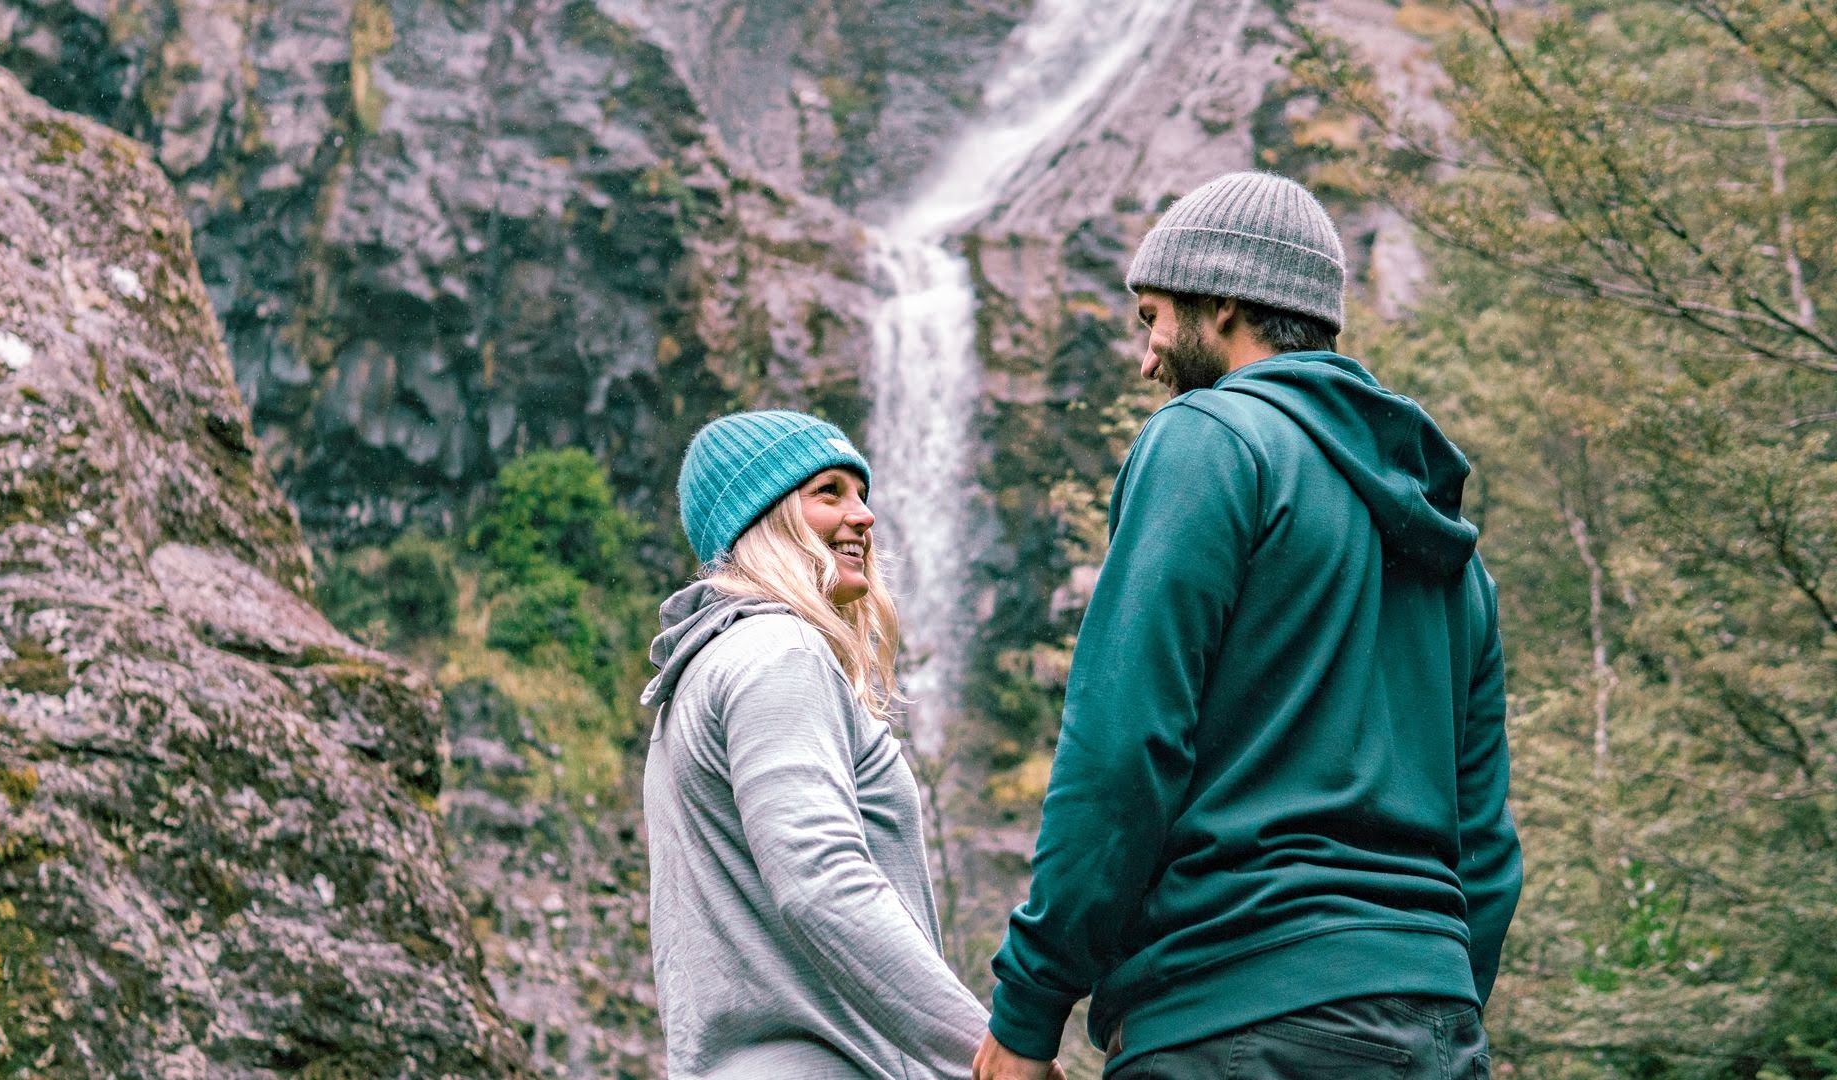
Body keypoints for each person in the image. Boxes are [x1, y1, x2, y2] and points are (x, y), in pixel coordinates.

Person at [973, 172, 1524, 1080]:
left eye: (1153, 317)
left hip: (1230, 1018)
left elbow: (1121, 752)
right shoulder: (1448, 542)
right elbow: (1487, 845)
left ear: (1225, 301)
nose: (1148, 357)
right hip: (1434, 1031)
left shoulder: (1208, 443)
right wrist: (1426, 986)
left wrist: (1030, 1007)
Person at [643, 409, 1012, 1079]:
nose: (865, 516)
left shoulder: (698, 674)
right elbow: (821, 882)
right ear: (763, 518)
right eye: (830, 492)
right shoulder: (780, 652)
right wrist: (989, 1057)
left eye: (862, 493)